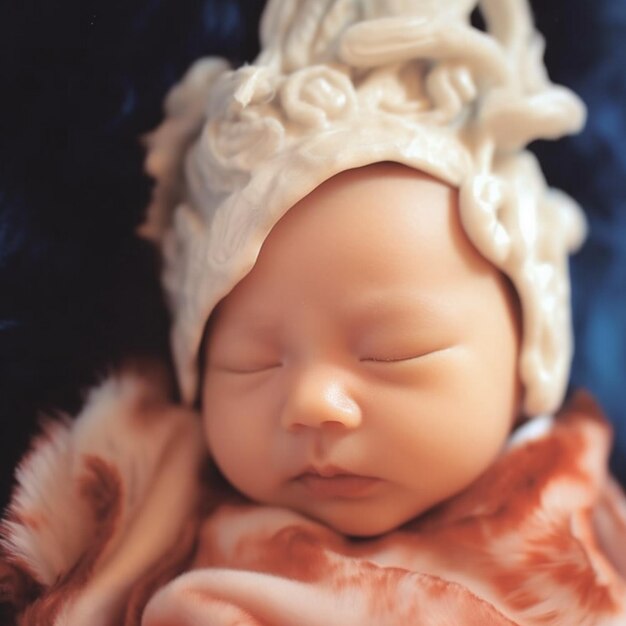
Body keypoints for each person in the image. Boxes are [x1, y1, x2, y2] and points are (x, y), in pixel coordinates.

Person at [2, 1, 626, 624]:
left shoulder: (582, 499)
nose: (311, 400)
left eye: (393, 351)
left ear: (527, 363)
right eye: (252, 364)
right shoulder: (161, 514)